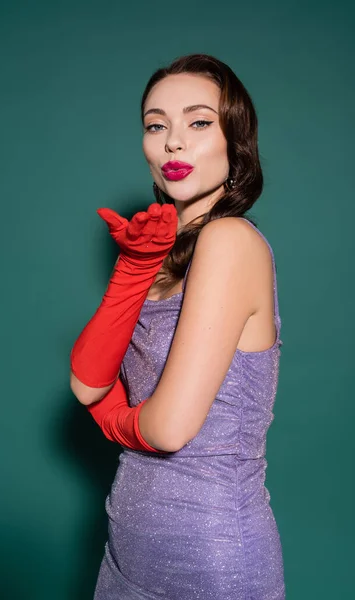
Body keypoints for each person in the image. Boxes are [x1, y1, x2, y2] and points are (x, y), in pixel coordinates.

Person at [70, 53, 286, 599]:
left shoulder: (229, 240)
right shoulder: (160, 253)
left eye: (198, 121)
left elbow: (167, 428)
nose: (173, 142)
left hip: (209, 556)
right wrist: (134, 268)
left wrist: (110, 418)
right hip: (127, 553)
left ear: (235, 141)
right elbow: (87, 382)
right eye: (156, 124)